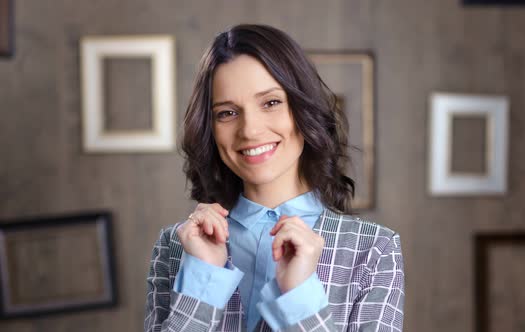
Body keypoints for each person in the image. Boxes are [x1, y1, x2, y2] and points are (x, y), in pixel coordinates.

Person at [145, 24, 404, 332]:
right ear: (210, 129)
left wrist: (299, 295)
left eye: (270, 102)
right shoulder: (175, 245)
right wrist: (202, 281)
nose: (250, 130)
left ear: (302, 109)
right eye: (227, 113)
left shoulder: (374, 249)